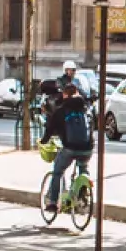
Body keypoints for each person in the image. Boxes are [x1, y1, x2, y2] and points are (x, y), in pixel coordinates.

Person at [38, 82, 96, 211]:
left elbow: (50, 129)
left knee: (58, 171)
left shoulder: (62, 110)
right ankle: (82, 195)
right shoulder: (86, 108)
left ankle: (53, 202)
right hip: (88, 148)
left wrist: (43, 141)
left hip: (70, 147)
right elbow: (92, 126)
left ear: (65, 95)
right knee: (83, 167)